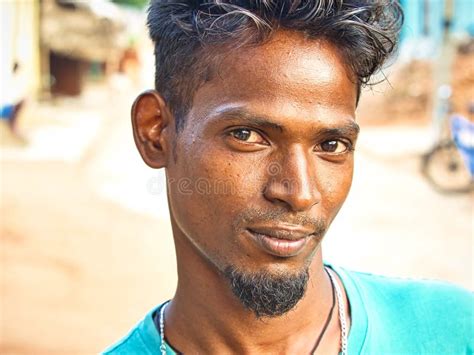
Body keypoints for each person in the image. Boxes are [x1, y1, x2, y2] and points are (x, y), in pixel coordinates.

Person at [104, 0, 472, 354]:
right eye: (247, 135)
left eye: (331, 144)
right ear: (156, 131)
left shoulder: (456, 332)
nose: (300, 192)